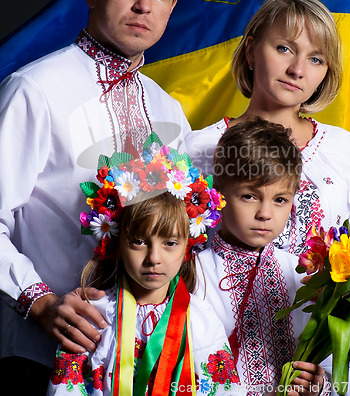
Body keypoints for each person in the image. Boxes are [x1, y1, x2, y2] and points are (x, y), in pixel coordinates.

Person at [0, 0, 191, 391]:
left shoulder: (169, 110)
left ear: (173, 5)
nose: (144, 5)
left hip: (146, 369)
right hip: (41, 355)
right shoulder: (35, 90)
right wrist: (39, 303)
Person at [185, 0, 350, 255]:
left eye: (315, 59)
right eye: (284, 48)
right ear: (251, 50)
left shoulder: (344, 149)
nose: (297, 70)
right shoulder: (199, 147)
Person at [47, 140, 244, 395]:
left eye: (170, 243)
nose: (154, 257)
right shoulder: (92, 318)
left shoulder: (201, 319)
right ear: (118, 244)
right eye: (139, 241)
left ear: (188, 247)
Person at [194, 118, 349, 396]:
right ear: (218, 193)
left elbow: (331, 364)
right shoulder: (195, 274)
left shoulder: (301, 275)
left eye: (280, 199)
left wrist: (320, 384)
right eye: (250, 196)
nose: (265, 213)